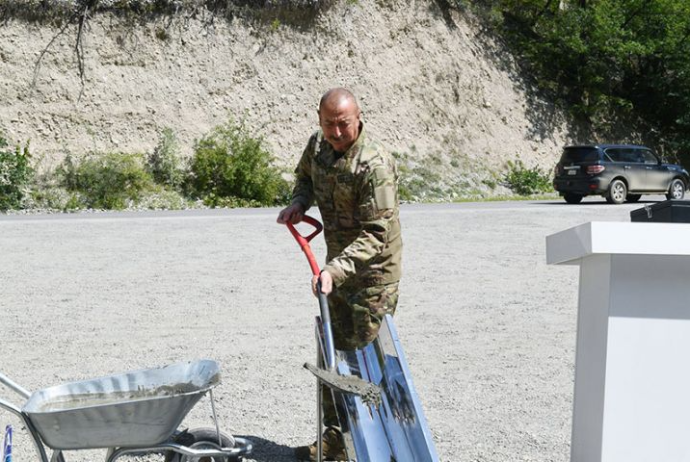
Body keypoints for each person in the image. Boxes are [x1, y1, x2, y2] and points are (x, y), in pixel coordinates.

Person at [277, 88, 402, 461]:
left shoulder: (374, 165)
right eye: (329, 123)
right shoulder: (318, 146)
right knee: (333, 353)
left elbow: (375, 235)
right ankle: (334, 442)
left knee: (365, 360)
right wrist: (299, 203)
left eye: (343, 123)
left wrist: (335, 269)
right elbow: (304, 177)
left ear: (359, 117)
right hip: (336, 271)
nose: (336, 132)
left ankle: (372, 445)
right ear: (319, 120)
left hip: (373, 278)